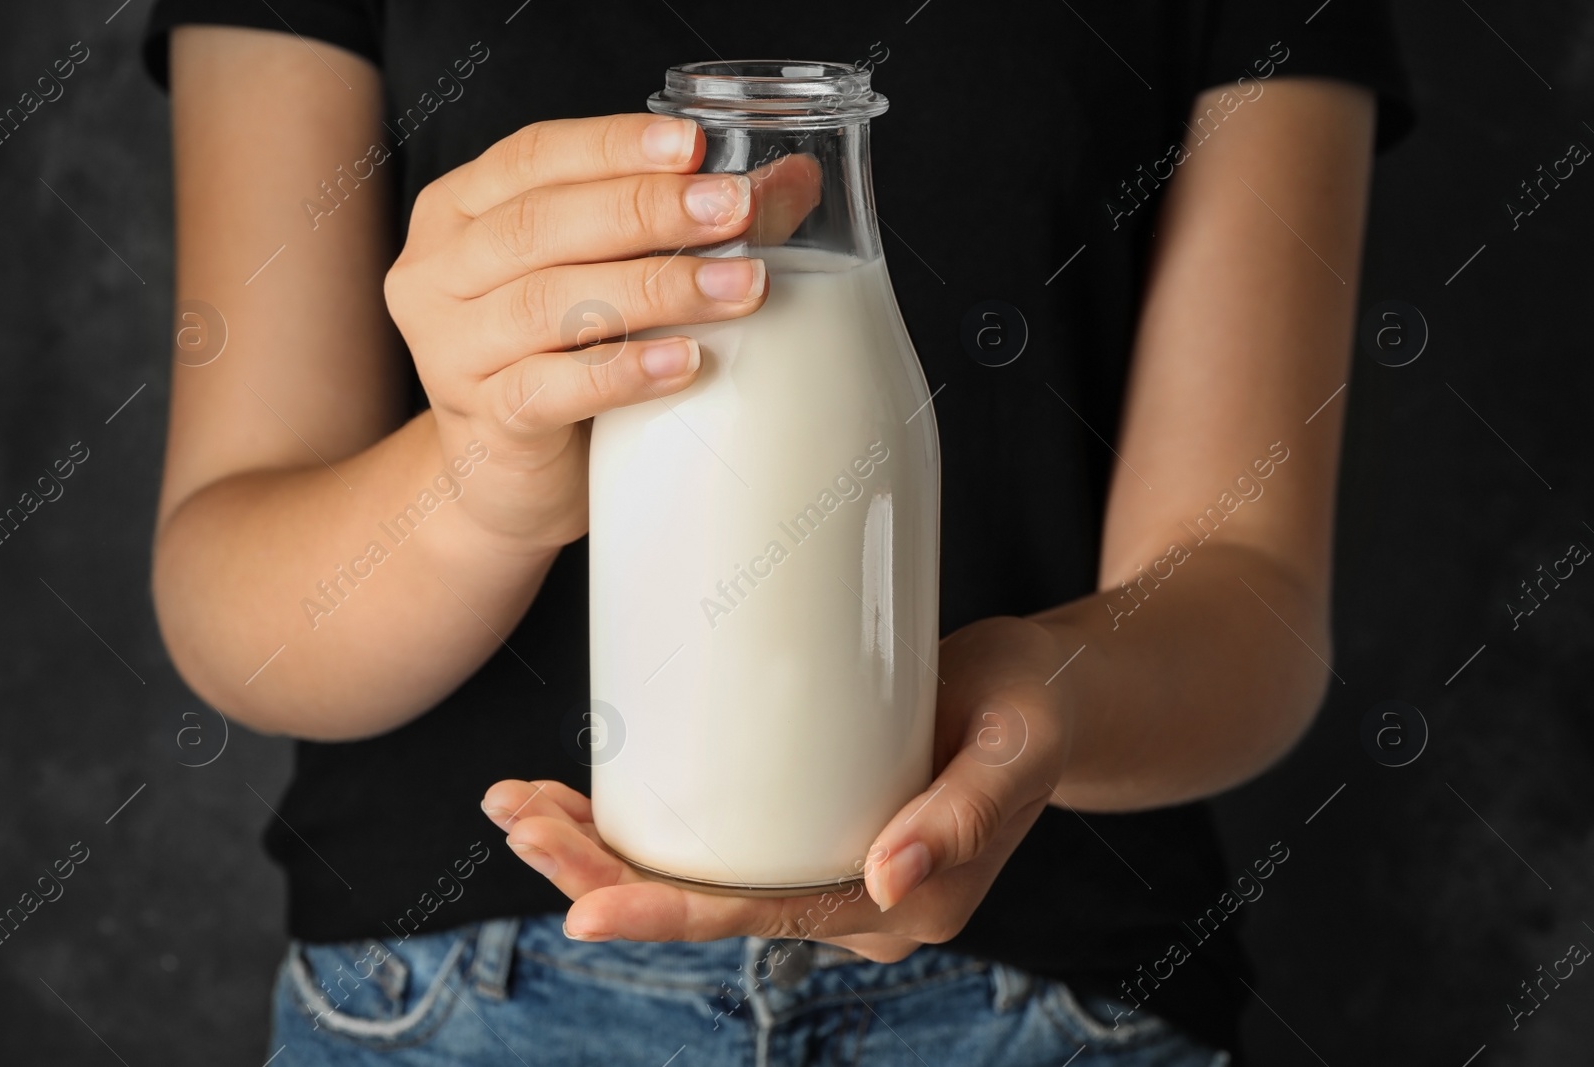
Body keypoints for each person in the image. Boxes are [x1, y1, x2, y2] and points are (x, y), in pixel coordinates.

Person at [141, 1, 1412, 1063]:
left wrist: (1046, 702)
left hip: (1055, 1005)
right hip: (450, 1004)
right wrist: (482, 477)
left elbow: (1248, 593)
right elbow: (232, 603)